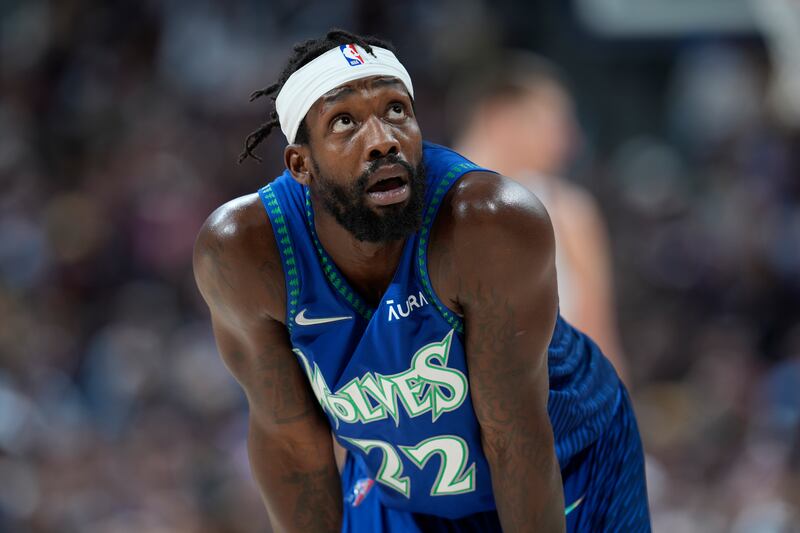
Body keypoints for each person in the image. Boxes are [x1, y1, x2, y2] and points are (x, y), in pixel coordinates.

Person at [193, 29, 650, 533]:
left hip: (567, 460)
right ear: (301, 164)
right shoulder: (244, 250)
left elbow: (512, 435)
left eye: (395, 110)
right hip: (405, 490)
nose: (383, 139)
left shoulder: (487, 220)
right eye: (344, 121)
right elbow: (291, 445)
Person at [456, 53, 628, 381]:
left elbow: (602, 344)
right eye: (556, 123)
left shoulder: (570, 212)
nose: (571, 140)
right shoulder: (421, 210)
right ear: (501, 119)